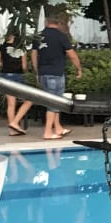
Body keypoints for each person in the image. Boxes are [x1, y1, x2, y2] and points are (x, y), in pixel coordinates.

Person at [33, 12, 82, 140]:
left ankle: (58, 127)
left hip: (43, 73)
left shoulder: (38, 36)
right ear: (58, 23)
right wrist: (78, 69)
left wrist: (37, 71)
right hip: (56, 73)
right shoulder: (61, 36)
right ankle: (48, 132)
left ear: (46, 22)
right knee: (54, 103)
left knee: (55, 102)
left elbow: (34, 54)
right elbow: (72, 55)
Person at [0, 29, 33, 135]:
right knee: (29, 99)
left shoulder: (2, 46)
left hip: (5, 76)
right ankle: (15, 122)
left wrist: (6, 65)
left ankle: (12, 130)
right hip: (17, 76)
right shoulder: (21, 48)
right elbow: (24, 66)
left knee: (11, 104)